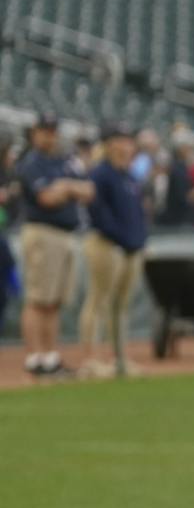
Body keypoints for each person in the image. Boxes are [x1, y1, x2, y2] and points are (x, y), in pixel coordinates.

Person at [16, 114, 93, 378]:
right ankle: (35, 357)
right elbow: (46, 198)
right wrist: (68, 189)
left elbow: (88, 191)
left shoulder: (62, 161)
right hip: (42, 232)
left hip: (65, 234)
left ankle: (50, 357)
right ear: (34, 133)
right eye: (45, 131)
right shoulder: (32, 163)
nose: (50, 136)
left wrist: (65, 186)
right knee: (38, 298)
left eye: (53, 131)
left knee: (55, 301)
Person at [79, 125, 147, 378]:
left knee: (120, 306)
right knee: (98, 301)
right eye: (120, 140)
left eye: (129, 140)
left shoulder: (128, 176)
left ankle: (120, 359)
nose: (126, 146)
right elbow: (99, 214)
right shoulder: (101, 173)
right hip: (105, 244)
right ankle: (91, 359)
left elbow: (138, 213)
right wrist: (122, 238)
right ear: (109, 144)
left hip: (129, 247)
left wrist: (137, 240)